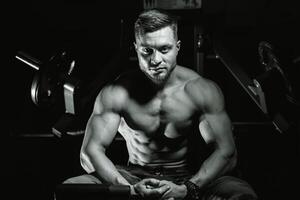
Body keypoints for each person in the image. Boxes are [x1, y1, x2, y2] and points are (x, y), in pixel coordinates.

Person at [64, 8, 258, 200]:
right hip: (132, 177)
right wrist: (128, 189)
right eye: (147, 51)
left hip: (189, 178)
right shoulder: (117, 93)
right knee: (71, 189)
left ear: (177, 47)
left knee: (241, 195)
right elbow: (90, 153)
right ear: (136, 48)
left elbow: (226, 153)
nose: (155, 60)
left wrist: (188, 188)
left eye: (164, 49)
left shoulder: (200, 90)